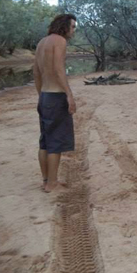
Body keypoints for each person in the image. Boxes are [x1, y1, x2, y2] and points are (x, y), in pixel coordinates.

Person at [34, 14, 77, 193]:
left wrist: (41, 94)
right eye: (73, 26)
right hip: (55, 96)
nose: (74, 30)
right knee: (56, 141)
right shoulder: (59, 41)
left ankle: (46, 181)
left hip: (44, 95)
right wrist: (69, 95)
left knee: (45, 141)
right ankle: (52, 184)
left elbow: (36, 72)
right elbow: (59, 70)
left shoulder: (42, 42)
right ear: (64, 26)